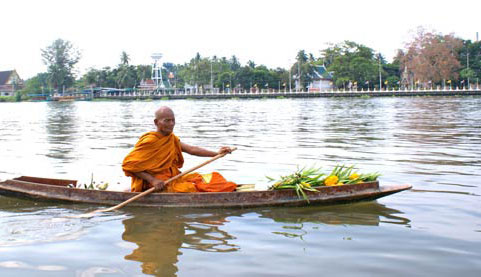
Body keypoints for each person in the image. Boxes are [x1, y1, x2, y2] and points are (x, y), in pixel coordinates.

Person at [122, 106, 237, 193]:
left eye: (173, 120)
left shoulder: (171, 138)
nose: (171, 124)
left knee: (210, 177)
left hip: (174, 178)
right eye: (167, 120)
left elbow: (192, 149)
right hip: (160, 184)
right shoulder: (150, 141)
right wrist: (152, 180)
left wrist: (217, 153)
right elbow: (129, 165)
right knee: (195, 188)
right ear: (156, 122)